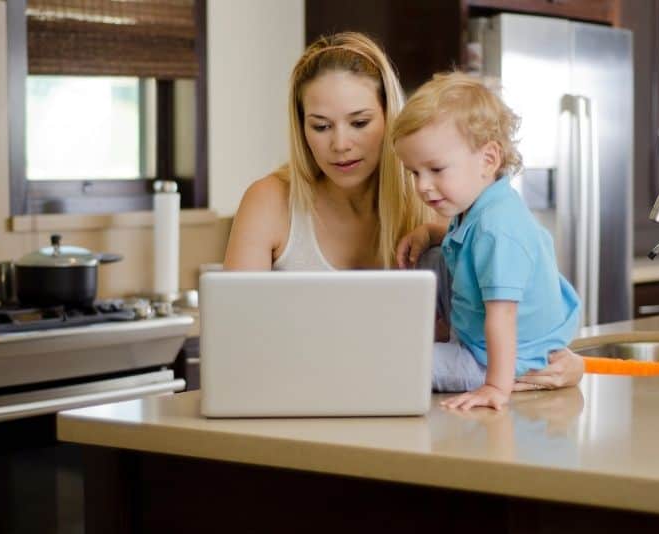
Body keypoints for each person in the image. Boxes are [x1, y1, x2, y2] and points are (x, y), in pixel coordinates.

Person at [224, 32, 583, 391]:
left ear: (390, 118)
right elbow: (232, 349)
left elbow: (514, 306)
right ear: (301, 129)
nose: (340, 144)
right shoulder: (269, 202)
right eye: (320, 126)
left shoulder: (431, 200)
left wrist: (566, 363)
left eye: (360, 122)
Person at [392, 71, 583, 410]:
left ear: (488, 160)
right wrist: (428, 232)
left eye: (436, 170)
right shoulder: (481, 205)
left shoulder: (498, 228)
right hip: (484, 334)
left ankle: (445, 353)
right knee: (433, 256)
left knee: (400, 364)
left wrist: (496, 386)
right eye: (414, 173)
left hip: (499, 357)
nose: (422, 185)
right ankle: (434, 338)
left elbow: (503, 314)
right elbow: (464, 246)